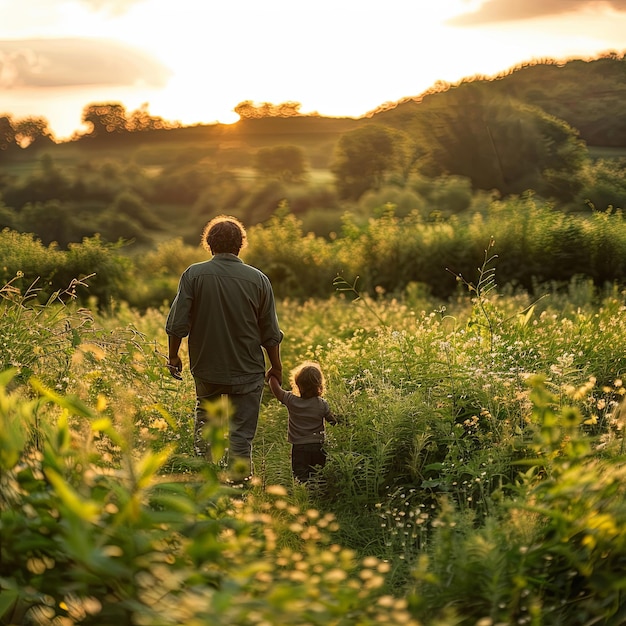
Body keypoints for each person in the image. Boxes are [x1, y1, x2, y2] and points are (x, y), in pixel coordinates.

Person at [165, 215, 283, 482]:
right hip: (248, 371)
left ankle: (202, 488)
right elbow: (270, 333)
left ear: (209, 244)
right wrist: (276, 366)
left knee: (207, 428)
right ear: (241, 244)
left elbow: (177, 323)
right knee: (241, 435)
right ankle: (239, 491)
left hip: (208, 371)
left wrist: (173, 356)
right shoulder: (259, 279)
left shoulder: (193, 274)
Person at [267, 361, 336, 482]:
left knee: (301, 478)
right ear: (319, 384)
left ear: (298, 385)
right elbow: (332, 420)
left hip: (299, 448)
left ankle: (305, 497)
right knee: (318, 476)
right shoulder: (321, 404)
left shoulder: (291, 400)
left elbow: (276, 390)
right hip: (318, 447)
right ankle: (318, 497)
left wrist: (272, 376)